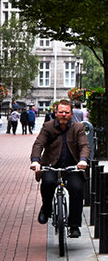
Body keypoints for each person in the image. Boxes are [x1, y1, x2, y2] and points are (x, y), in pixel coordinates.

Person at [30, 99, 90, 238]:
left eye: (66, 112)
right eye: (61, 112)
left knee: (77, 188)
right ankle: (46, 208)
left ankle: (74, 225)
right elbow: (38, 144)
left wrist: (83, 160)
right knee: (48, 183)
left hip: (72, 167)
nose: (63, 114)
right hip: (51, 166)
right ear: (56, 112)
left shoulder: (78, 127)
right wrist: (35, 161)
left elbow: (84, 146)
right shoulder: (48, 127)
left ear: (71, 113)